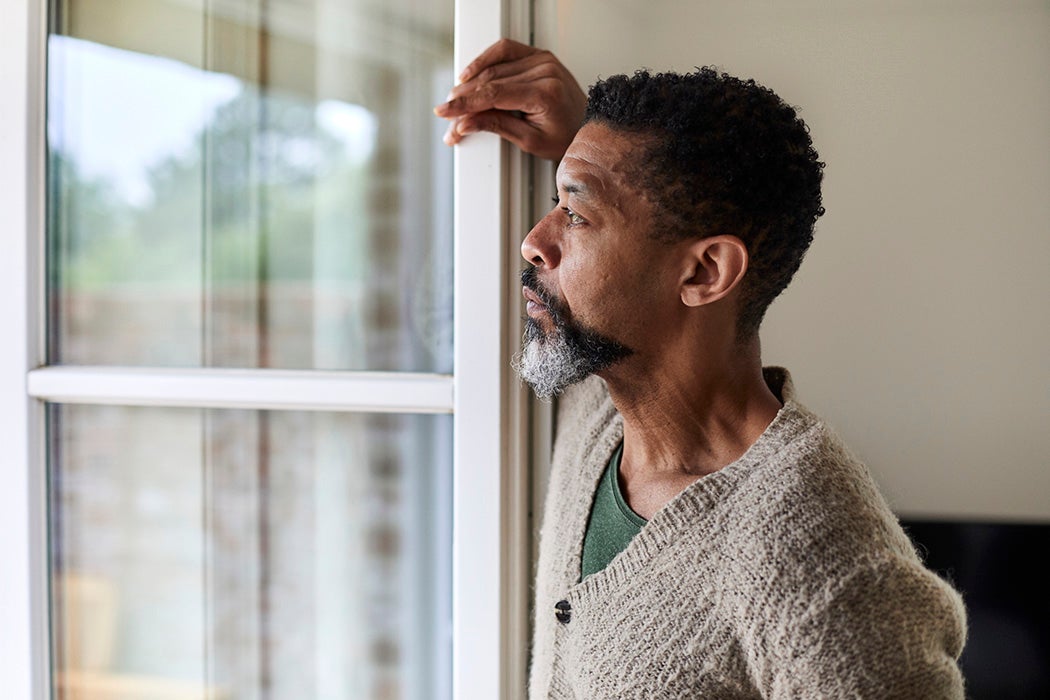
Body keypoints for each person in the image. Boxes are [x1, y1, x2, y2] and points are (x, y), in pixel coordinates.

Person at [436, 39, 966, 699]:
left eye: (574, 214)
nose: (534, 241)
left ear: (704, 271)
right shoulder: (605, 390)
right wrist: (580, 146)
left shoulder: (823, 560)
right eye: (556, 203)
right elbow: (639, 215)